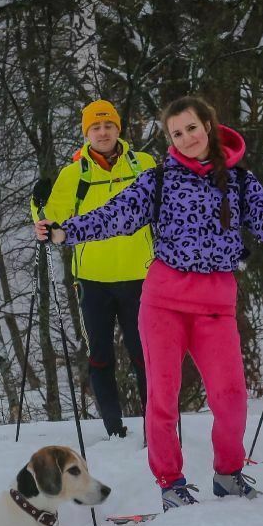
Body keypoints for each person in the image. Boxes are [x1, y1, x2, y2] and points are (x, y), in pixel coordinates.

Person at [36, 95, 263, 512]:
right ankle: (171, 482)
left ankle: (228, 474)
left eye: (192, 129)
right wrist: (63, 232)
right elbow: (114, 215)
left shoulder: (239, 181)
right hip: (164, 300)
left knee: (231, 394)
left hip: (216, 302)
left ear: (209, 126)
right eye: (176, 133)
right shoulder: (158, 179)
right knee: (162, 397)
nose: (186, 138)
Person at [35, 100, 156, 438]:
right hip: (93, 280)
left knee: (145, 354)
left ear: (119, 129)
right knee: (100, 355)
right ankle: (113, 428)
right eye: (95, 128)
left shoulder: (145, 165)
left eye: (108, 126)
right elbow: (50, 217)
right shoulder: (74, 174)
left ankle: (155, 426)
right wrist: (39, 210)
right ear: (86, 133)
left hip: (141, 277)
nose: (103, 132)